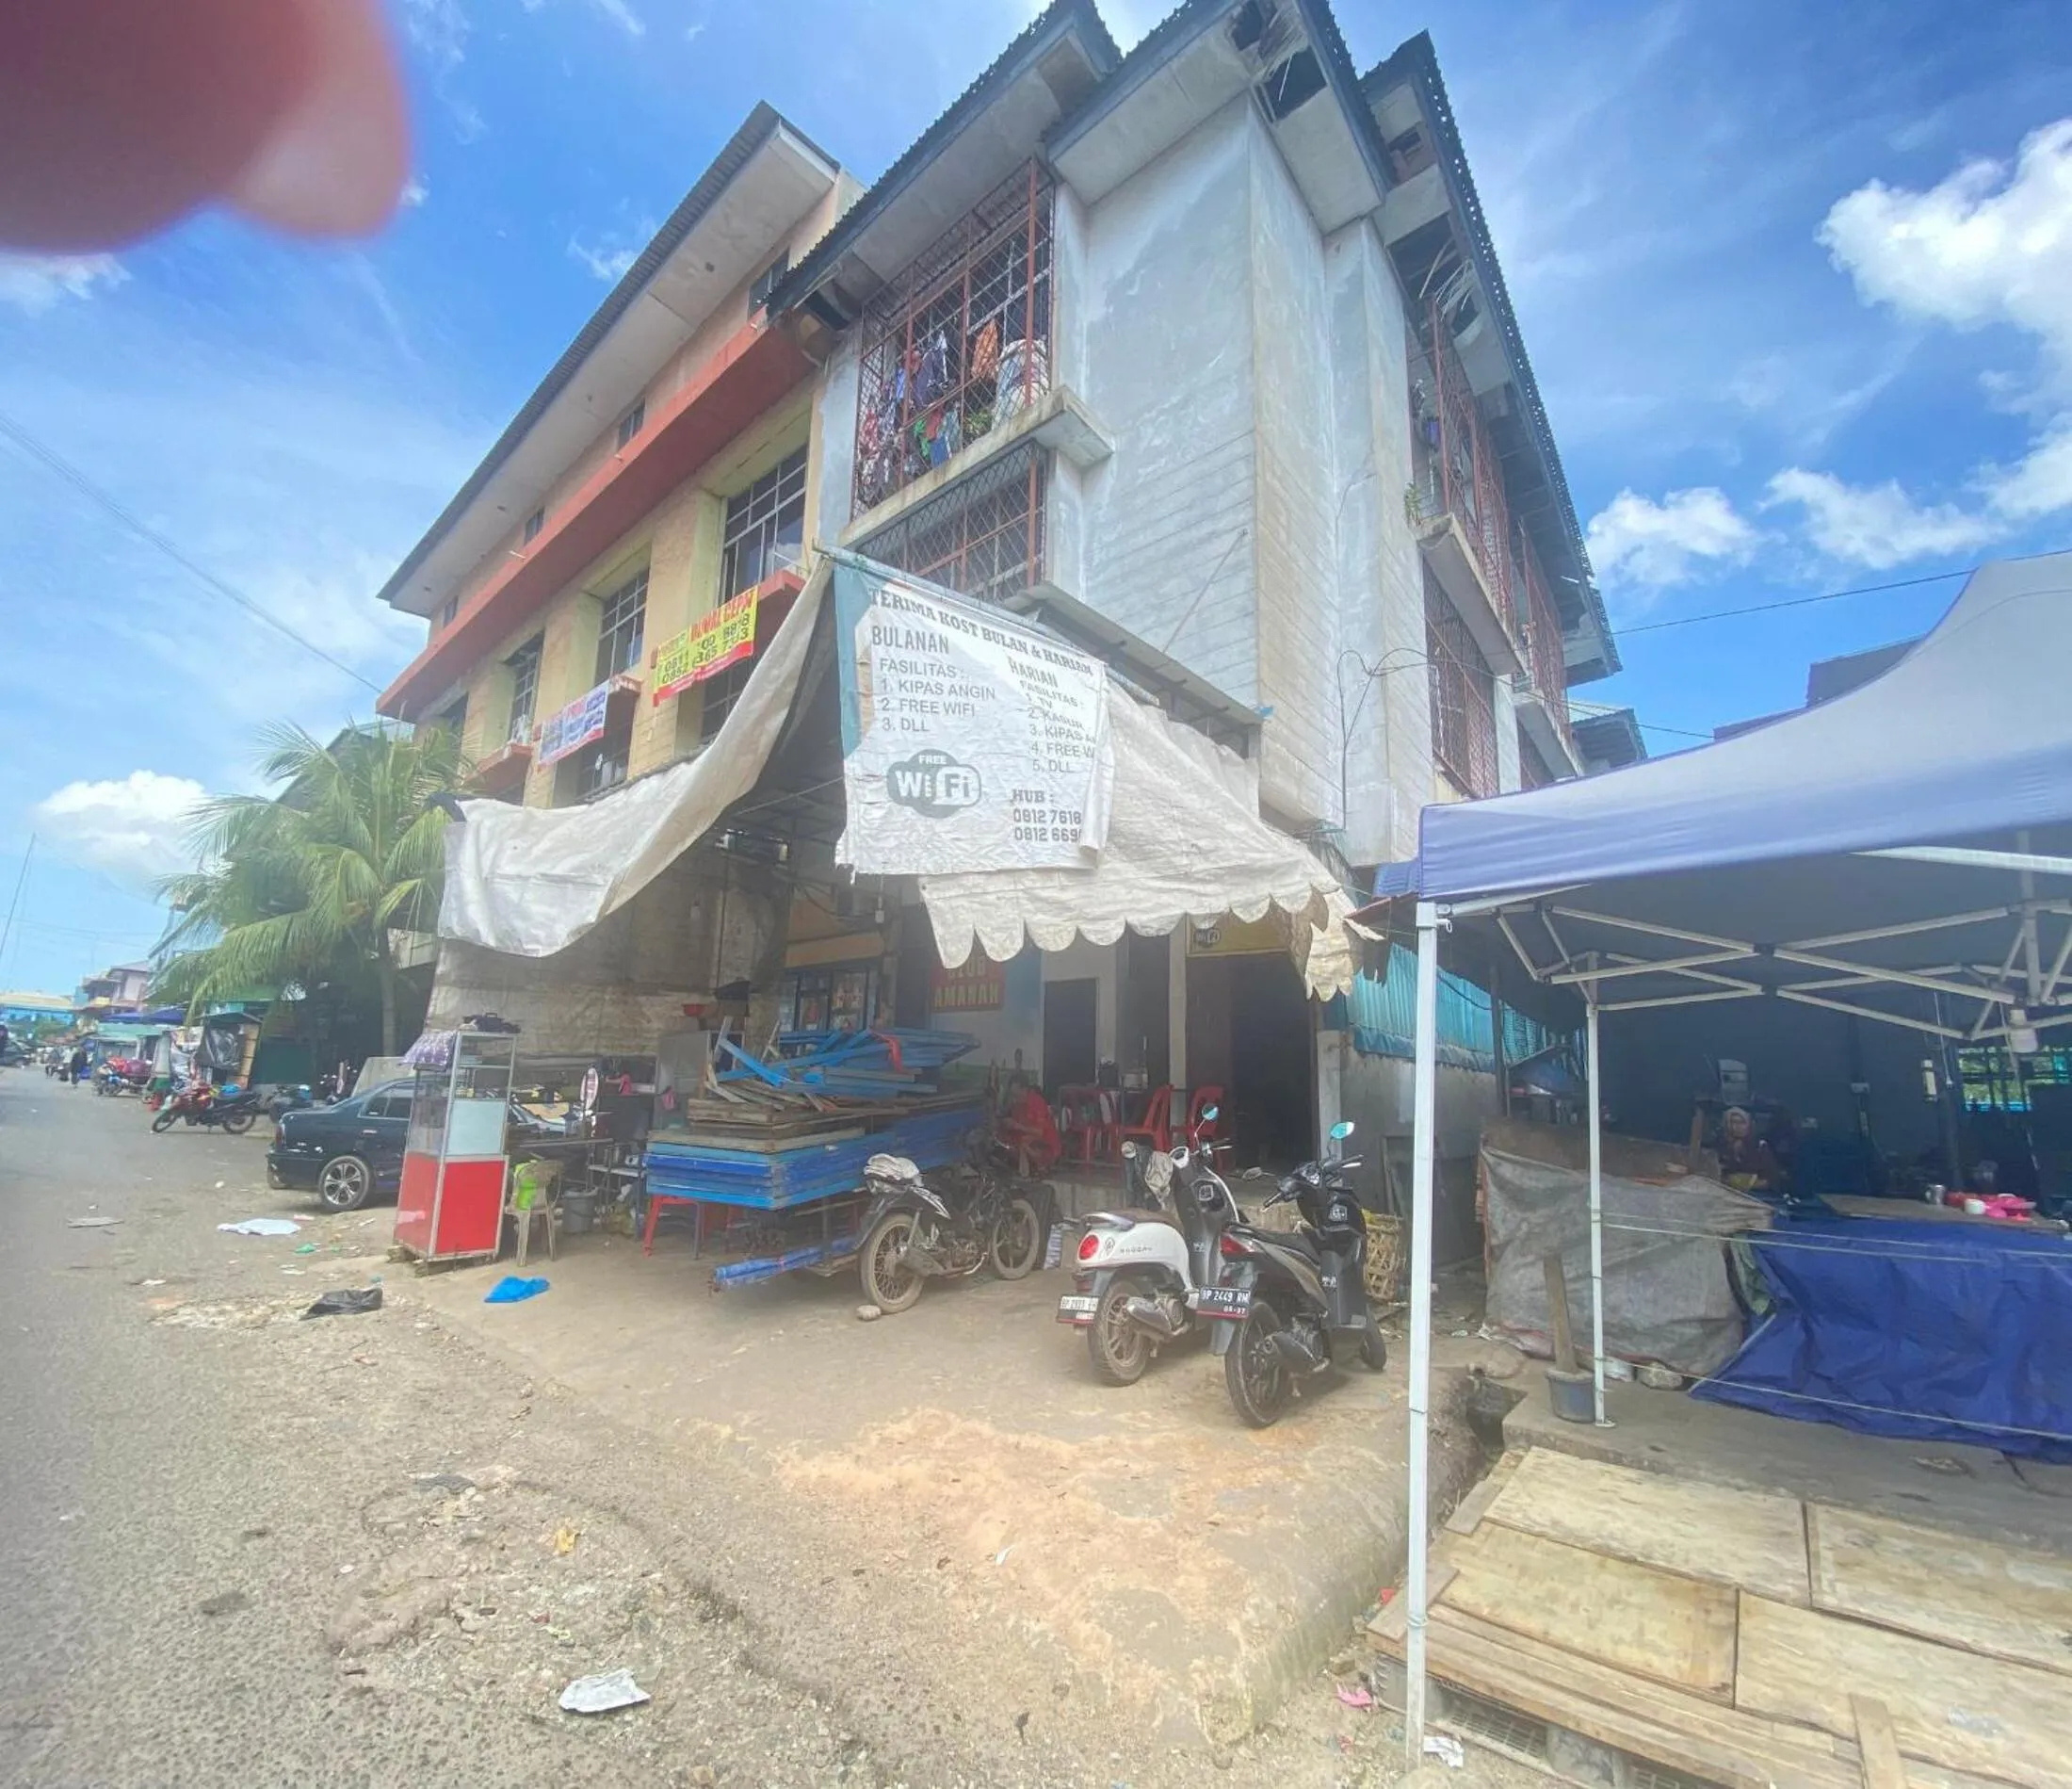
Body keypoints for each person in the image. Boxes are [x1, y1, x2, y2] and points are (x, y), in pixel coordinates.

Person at [1717, 1105, 1781, 1193]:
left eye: (1742, 1122)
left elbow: (1771, 1180)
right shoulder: (1719, 1147)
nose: (1737, 1126)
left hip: (1755, 1196)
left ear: (1749, 1125)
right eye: (1733, 1122)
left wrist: (1748, 1184)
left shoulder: (1760, 1147)